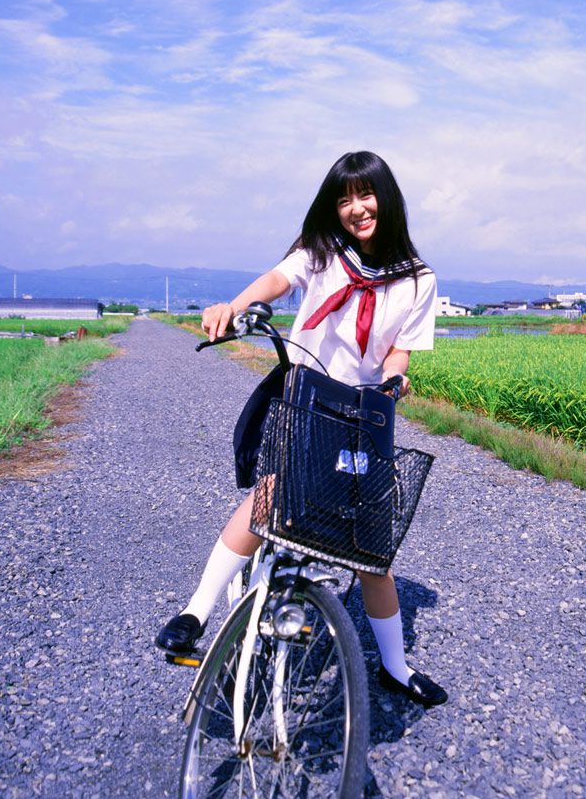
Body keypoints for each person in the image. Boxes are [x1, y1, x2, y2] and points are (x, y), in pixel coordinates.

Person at [155, 151, 447, 708]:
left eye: (365, 195)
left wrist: (394, 380)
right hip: (305, 395)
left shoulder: (418, 280)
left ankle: (394, 664)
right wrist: (236, 305)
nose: (356, 209)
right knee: (271, 497)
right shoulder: (321, 252)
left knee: (369, 543)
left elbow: (399, 352)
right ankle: (196, 609)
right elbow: (277, 279)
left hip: (363, 411)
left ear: (387, 197)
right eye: (343, 199)